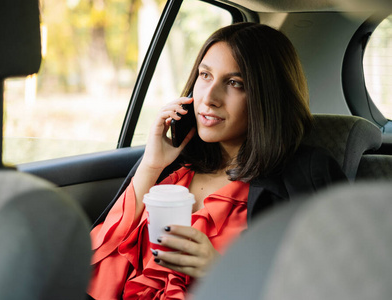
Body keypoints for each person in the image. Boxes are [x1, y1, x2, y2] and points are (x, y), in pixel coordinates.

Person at [87, 22, 347, 300]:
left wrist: (224, 271)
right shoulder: (173, 167)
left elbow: (336, 284)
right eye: (205, 75)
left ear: (268, 96)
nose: (209, 98)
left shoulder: (307, 172)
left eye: (235, 83)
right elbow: (98, 260)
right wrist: (151, 167)